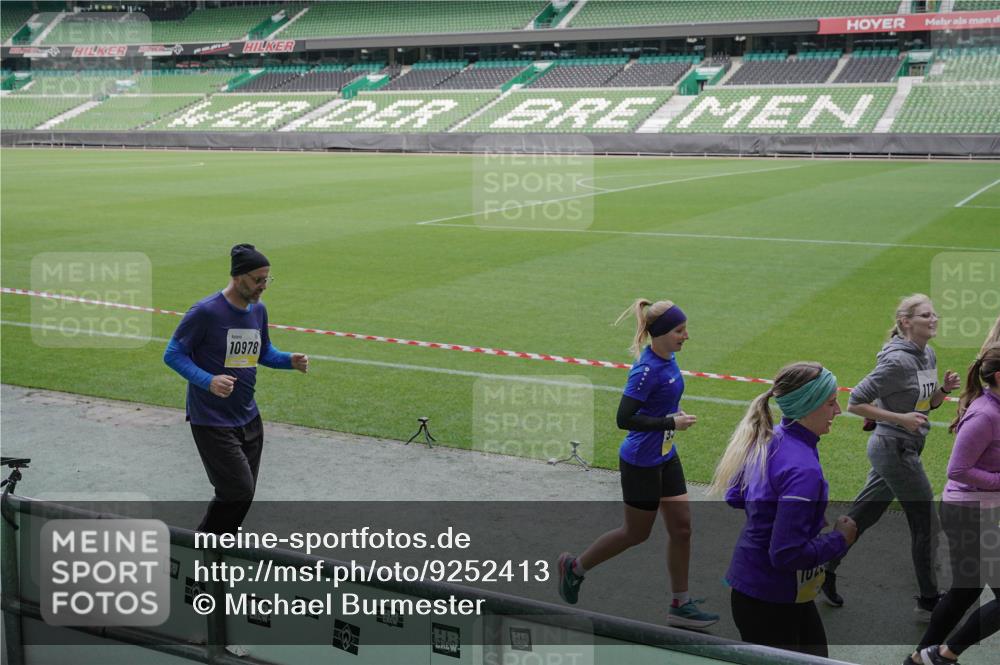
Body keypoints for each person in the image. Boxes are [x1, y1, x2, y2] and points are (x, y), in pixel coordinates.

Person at [556, 299, 719, 628]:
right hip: (641, 462)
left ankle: (680, 604)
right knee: (635, 533)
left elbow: (659, 404)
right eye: (680, 330)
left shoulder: (668, 358)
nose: (686, 336)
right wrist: (670, 422)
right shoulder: (646, 372)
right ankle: (575, 568)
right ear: (661, 333)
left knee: (682, 528)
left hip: (665, 455)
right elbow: (624, 418)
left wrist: (672, 414)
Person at [821, 294, 960, 619]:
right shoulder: (896, 361)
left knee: (862, 515)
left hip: (903, 446)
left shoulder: (927, 354)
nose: (933, 319)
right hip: (894, 450)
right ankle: (928, 599)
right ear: (905, 322)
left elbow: (926, 404)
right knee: (926, 522)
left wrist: (943, 390)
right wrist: (900, 419)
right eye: (925, 315)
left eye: (934, 314)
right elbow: (855, 402)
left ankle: (822, 569)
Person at [710, 362, 857, 656]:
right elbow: (786, 554)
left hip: (762, 592)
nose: (838, 411)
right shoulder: (803, 469)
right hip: (772, 598)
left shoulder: (771, 437)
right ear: (808, 406)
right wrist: (840, 539)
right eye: (831, 403)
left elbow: (735, 496)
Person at [164, 243, 309, 534]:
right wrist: (208, 381)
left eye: (267, 279)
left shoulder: (259, 310)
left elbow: (263, 352)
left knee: (243, 493)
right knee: (237, 489)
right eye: (258, 279)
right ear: (239, 277)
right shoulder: (206, 312)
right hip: (211, 420)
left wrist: (288, 361)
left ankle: (219, 545)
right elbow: (173, 354)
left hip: (248, 417)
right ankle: (203, 547)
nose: (263, 286)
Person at [904, 343, 1000, 665]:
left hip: (979, 510)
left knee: (966, 590)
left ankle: (919, 659)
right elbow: (957, 469)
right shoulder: (985, 415)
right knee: (968, 590)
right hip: (967, 513)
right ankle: (943, 654)